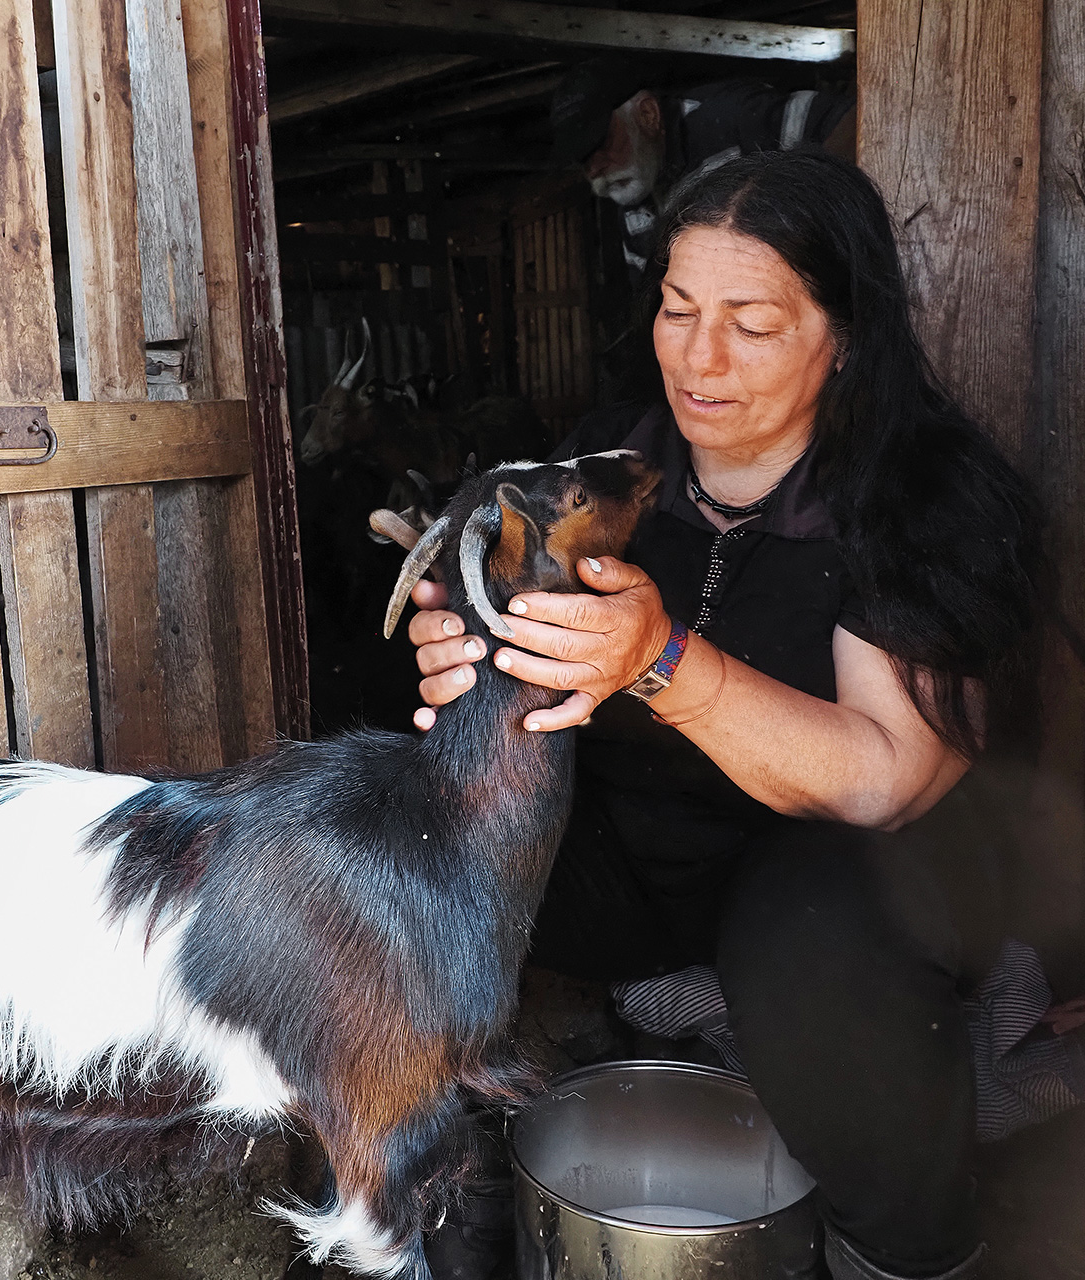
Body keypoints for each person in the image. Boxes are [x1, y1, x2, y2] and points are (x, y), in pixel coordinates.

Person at [409, 150, 1042, 1280]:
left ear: (841, 337)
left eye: (750, 323)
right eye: (675, 309)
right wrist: (464, 655)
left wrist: (656, 656)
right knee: (407, 846)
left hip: (851, 872)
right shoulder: (600, 473)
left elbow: (885, 779)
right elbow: (499, 673)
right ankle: (449, 1206)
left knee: (816, 923)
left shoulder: (919, 496)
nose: (697, 359)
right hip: (640, 856)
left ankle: (905, 1254)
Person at [550, 59, 855, 289]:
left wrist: (801, 229)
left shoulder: (729, 118)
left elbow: (851, 120)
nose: (595, 169)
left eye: (602, 142)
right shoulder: (633, 203)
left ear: (648, 115)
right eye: (583, 160)